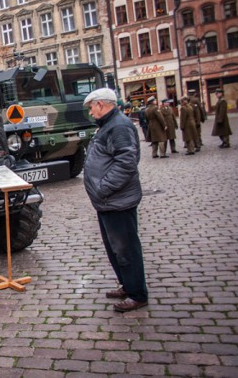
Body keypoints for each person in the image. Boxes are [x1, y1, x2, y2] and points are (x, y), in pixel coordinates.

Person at [82, 88, 148, 313]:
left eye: (91, 107)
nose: (91, 112)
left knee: (126, 249)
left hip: (116, 200)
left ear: (101, 104)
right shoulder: (109, 125)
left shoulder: (118, 126)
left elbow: (127, 162)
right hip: (108, 201)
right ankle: (127, 285)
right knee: (115, 248)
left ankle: (137, 294)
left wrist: (104, 188)